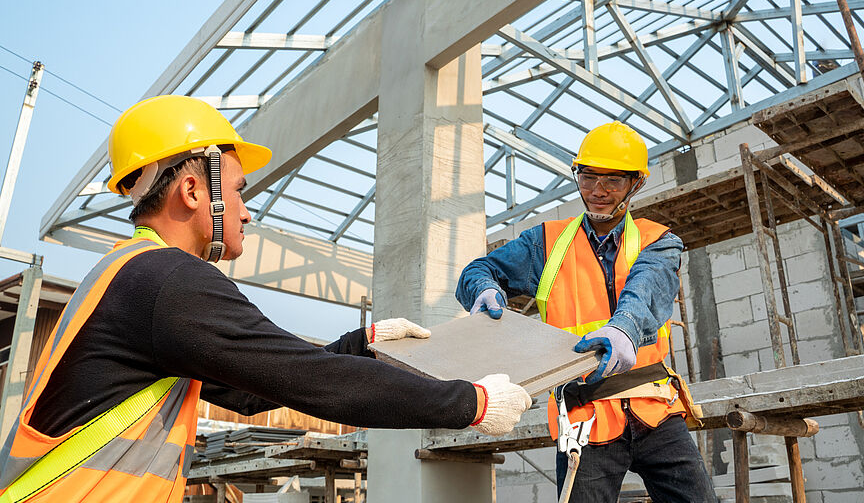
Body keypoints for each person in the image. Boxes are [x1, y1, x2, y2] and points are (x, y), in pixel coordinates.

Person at [0, 95, 532, 503]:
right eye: (238, 191)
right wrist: (473, 404)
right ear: (191, 191)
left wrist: (362, 342)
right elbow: (314, 384)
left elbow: (248, 390)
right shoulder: (169, 282)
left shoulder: (129, 274)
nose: (247, 212)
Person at [456, 121, 713, 502]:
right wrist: (485, 288)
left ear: (635, 184)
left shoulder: (658, 240)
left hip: (655, 408)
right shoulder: (545, 243)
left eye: (612, 181)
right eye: (588, 176)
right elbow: (478, 270)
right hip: (584, 417)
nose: (597, 191)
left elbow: (647, 288)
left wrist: (624, 329)